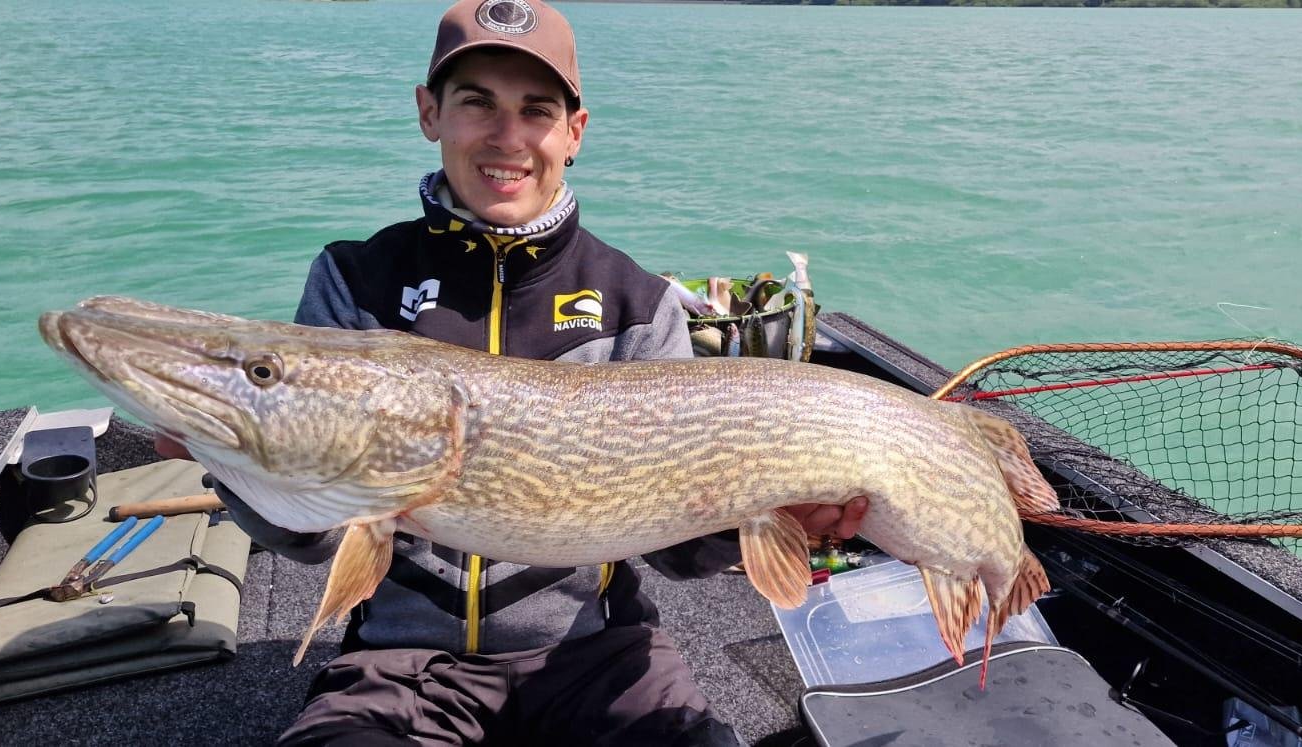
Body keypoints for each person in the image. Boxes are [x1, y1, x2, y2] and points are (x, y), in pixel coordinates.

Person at [155, 1, 867, 744]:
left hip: (599, 652)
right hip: (404, 664)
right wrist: (244, 471)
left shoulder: (638, 301)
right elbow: (317, 539)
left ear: (574, 132)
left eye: (536, 110)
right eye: (477, 103)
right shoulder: (356, 279)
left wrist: (768, 514)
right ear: (430, 112)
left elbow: (678, 550)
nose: (508, 137)